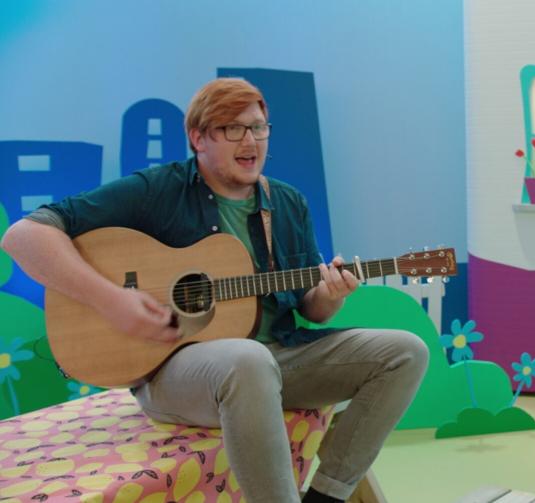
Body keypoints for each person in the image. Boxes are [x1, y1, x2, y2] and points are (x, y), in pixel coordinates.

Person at [1, 77, 429, 503]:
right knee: (248, 359)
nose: (251, 140)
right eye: (233, 129)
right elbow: (23, 236)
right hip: (175, 372)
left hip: (277, 357)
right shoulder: (158, 190)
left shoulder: (288, 203)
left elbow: (311, 309)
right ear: (198, 138)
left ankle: (328, 495)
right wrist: (112, 300)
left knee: (406, 351)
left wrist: (331, 294)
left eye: (258, 127)